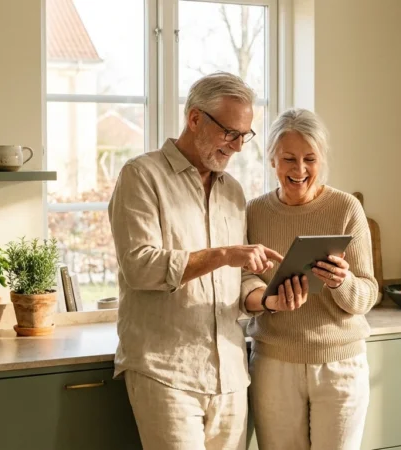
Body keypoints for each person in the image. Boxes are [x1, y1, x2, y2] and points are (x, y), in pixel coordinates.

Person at [107, 72, 300, 450]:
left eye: (244, 135)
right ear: (195, 119)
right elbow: (140, 266)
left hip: (230, 375)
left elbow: (242, 277)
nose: (238, 147)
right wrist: (223, 255)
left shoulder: (233, 191)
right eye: (231, 133)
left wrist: (267, 299)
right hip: (166, 371)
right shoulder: (142, 176)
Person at [241, 108, 379, 450]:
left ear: (321, 160)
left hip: (340, 364)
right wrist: (268, 299)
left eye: (309, 159)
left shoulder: (346, 209)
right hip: (274, 362)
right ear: (272, 159)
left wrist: (342, 282)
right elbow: (243, 279)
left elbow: (368, 292)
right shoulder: (254, 212)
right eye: (288, 158)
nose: (299, 170)